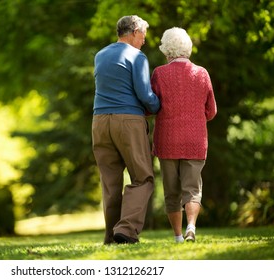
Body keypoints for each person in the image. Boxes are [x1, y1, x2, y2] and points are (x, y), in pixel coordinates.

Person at [92, 15, 160, 245]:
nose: (144, 41)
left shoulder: (100, 55)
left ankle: (111, 236)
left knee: (110, 182)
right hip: (128, 121)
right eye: (143, 35)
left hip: (100, 122)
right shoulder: (137, 56)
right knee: (143, 177)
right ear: (133, 32)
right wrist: (158, 105)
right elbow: (145, 95)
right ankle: (127, 230)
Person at [151, 27, 217, 243]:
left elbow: (152, 105)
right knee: (192, 189)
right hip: (195, 140)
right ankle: (191, 226)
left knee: (172, 193)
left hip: (167, 140)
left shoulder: (159, 73)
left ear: (166, 49)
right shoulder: (202, 73)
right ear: (187, 47)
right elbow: (211, 111)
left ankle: (178, 237)